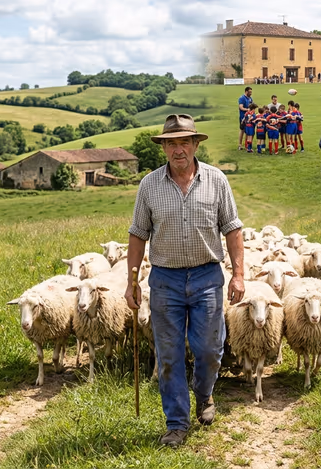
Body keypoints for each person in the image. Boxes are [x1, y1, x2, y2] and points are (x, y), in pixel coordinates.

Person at [126, 114, 244, 449]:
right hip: (165, 280)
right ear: (163, 147)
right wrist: (132, 280)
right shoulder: (149, 185)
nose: (179, 150)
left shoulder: (216, 180)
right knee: (168, 355)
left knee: (209, 349)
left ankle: (204, 394)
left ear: (195, 144)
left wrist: (239, 273)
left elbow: (232, 228)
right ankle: (177, 423)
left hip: (208, 276)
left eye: (184, 142)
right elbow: (137, 234)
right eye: (171, 143)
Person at [237, 87, 253, 151]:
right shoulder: (242, 98)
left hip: (249, 117)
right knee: (242, 130)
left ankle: (247, 145)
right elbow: (241, 107)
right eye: (249, 92)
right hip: (243, 117)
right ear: (246, 91)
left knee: (248, 131)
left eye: (251, 92)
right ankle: (240, 145)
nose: (250, 93)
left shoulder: (250, 98)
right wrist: (247, 110)